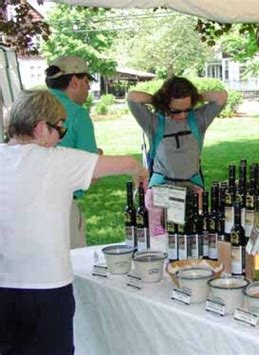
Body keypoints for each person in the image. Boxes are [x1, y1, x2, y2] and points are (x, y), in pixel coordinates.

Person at [0, 90, 148, 355]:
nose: (60, 137)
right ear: (41, 128)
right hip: (47, 286)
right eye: (60, 130)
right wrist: (140, 172)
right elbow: (126, 163)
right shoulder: (59, 160)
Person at [127, 77, 227, 242]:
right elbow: (132, 97)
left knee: (192, 241)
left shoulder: (198, 120)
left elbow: (221, 96)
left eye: (187, 109)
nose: (182, 115)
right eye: (176, 110)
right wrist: (159, 101)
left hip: (193, 190)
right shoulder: (154, 123)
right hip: (161, 192)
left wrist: (194, 97)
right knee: (160, 241)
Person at [45, 55, 100, 249]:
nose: (88, 88)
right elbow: (91, 174)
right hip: (63, 206)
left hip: (20, 207)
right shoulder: (77, 114)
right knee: (71, 269)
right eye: (87, 81)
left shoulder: (28, 107)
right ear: (75, 81)